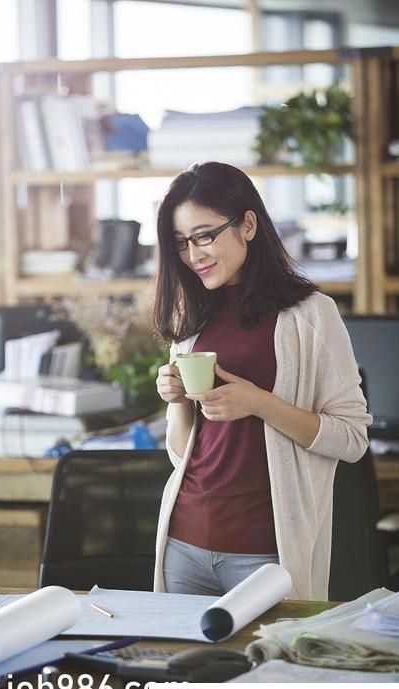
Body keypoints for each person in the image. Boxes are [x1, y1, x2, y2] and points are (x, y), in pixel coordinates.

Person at [153, 161, 372, 601]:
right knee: (180, 670)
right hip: (185, 542)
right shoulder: (190, 318)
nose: (193, 254)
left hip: (265, 552)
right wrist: (177, 401)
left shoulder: (311, 315)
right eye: (181, 243)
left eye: (205, 235)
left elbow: (351, 439)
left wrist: (259, 402)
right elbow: (182, 456)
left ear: (248, 224)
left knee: (266, 670)